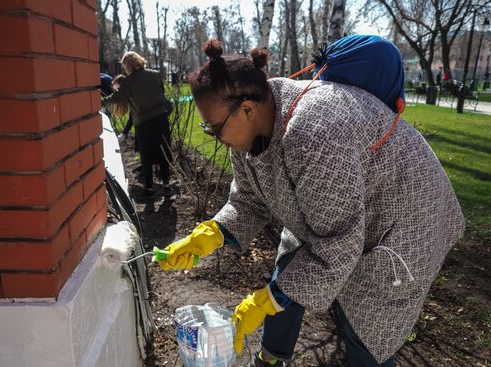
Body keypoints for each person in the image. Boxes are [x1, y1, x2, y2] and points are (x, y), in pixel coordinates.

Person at [158, 39, 465, 366]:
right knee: (290, 267)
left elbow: (338, 244)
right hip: (338, 217)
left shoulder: (313, 130)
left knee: (366, 322)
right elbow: (248, 201)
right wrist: (209, 234)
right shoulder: (254, 124)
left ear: (247, 108)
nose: (214, 136)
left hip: (404, 220)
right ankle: (271, 358)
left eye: (213, 128)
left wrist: (267, 301)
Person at [102, 52, 172, 196]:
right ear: (140, 60)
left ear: (127, 66)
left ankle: (149, 188)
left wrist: (100, 101)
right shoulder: (155, 74)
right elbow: (162, 94)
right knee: (164, 152)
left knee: (146, 156)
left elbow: (116, 98)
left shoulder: (129, 82)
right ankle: (166, 185)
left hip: (143, 123)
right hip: (161, 118)